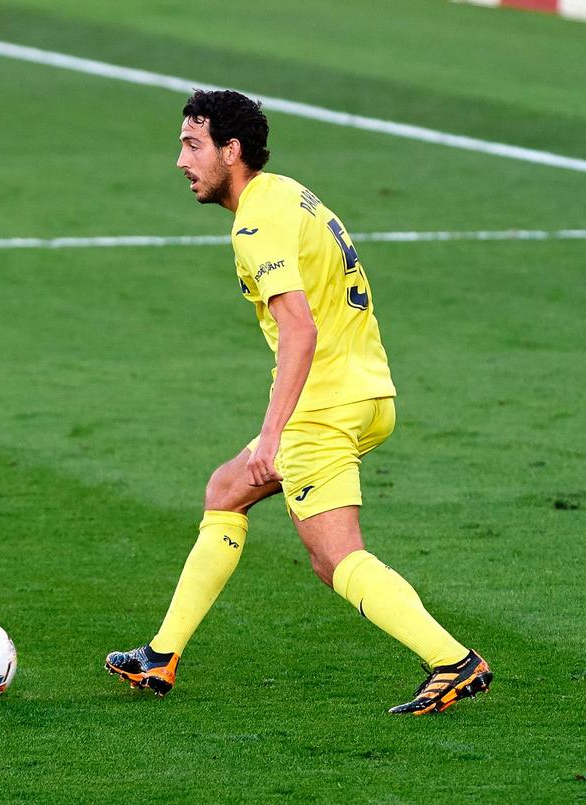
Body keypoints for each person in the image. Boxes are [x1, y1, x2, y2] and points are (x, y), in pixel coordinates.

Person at [105, 91, 491, 715]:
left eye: (192, 145)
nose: (181, 160)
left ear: (232, 151)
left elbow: (300, 329)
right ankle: (160, 658)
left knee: (334, 555)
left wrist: (272, 433)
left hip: (325, 406)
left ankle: (453, 662)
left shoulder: (256, 224)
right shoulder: (288, 192)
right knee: (226, 490)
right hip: (368, 390)